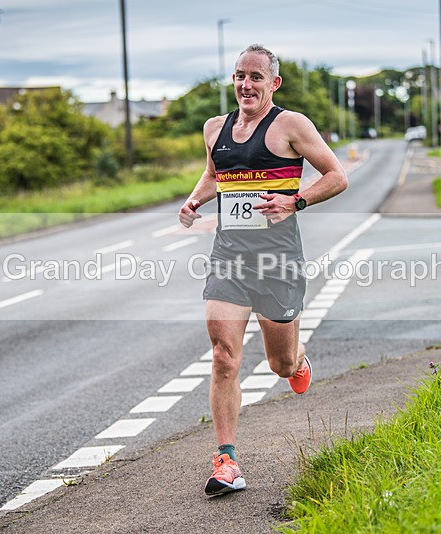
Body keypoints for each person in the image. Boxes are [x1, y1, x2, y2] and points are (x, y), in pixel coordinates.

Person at [178, 44, 347, 496]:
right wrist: (195, 200)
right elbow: (216, 174)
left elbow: (336, 175)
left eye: (255, 77)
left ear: (273, 83)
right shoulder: (216, 128)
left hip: (277, 260)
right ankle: (226, 462)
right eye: (239, 76)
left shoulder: (291, 125)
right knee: (223, 356)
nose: (245, 84)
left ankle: (297, 360)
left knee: (279, 364)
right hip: (229, 257)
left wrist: (295, 200)